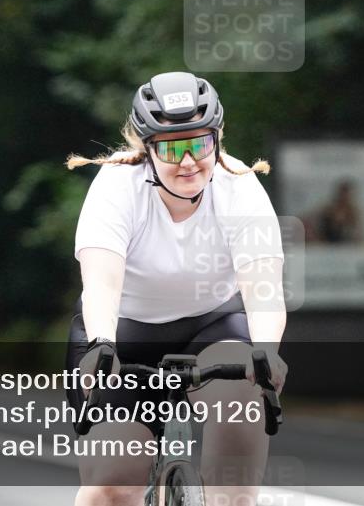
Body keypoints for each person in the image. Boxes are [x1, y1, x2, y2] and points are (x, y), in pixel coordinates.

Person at [65, 72, 287, 506]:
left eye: (199, 144)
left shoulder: (239, 187)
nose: (187, 161)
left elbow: (263, 286)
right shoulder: (116, 186)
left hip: (213, 327)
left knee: (241, 407)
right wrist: (101, 343)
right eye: (170, 148)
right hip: (123, 335)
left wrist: (266, 351)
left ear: (216, 141)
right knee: (114, 485)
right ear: (146, 149)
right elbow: (102, 282)